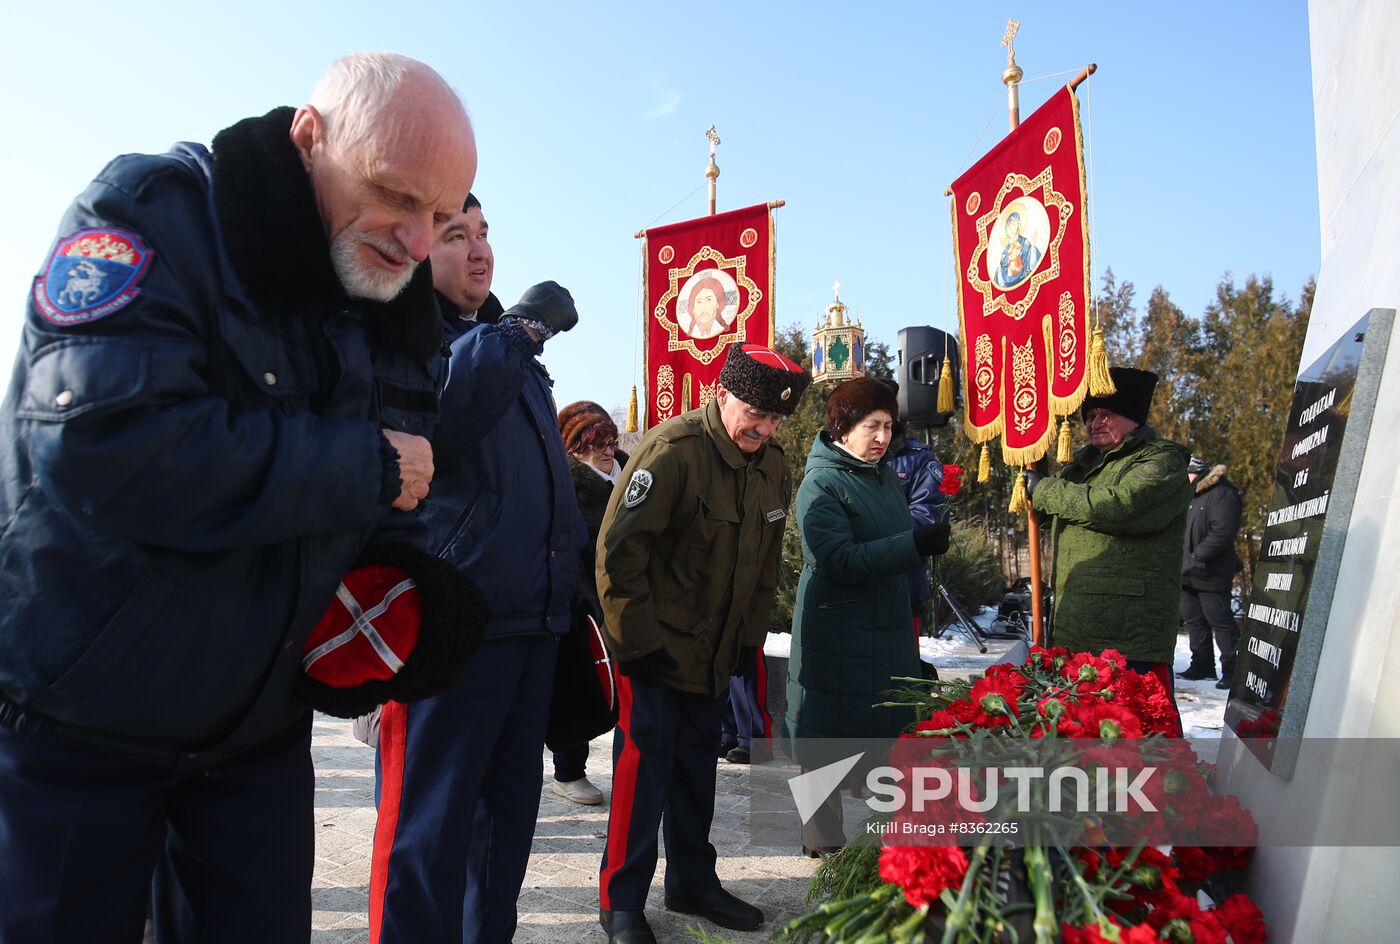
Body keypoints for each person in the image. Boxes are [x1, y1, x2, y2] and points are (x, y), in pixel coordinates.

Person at [0, 53, 474, 942]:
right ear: (309, 139)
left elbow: (358, 499)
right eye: (397, 195)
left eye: (442, 216)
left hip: (255, 738)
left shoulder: (379, 289)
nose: (419, 241)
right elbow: (103, 441)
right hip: (82, 724)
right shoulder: (155, 213)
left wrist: (396, 595)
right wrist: (365, 467)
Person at [369, 194, 583, 944]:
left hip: (529, 621)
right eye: (455, 235)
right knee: (427, 834)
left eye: (484, 233)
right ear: (417, 250)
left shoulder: (499, 345)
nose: (478, 249)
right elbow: (451, 414)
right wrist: (521, 327)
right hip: (451, 627)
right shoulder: (409, 336)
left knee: (502, 836)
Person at [595, 342, 809, 944]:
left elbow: (763, 565)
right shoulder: (673, 451)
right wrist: (635, 644)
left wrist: (746, 642)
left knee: (696, 773)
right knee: (642, 775)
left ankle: (692, 881)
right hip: (656, 650)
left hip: (715, 651)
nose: (763, 429)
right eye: (754, 414)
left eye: (774, 420)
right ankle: (621, 901)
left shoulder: (773, 465)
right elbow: (619, 553)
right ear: (721, 395)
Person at [783, 379, 951, 853]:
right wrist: (913, 545)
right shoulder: (823, 482)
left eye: (887, 426)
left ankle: (891, 835)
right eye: (871, 426)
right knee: (826, 732)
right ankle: (820, 838)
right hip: (837, 628)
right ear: (842, 427)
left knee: (885, 729)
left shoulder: (880, 477)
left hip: (886, 626)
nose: (881, 437)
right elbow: (838, 558)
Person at [1025, 367, 1193, 725]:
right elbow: (1053, 504)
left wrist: (1044, 489)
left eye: (1106, 414)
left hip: (1129, 636)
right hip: (1075, 630)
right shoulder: (1082, 467)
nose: (1095, 422)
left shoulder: (1162, 461)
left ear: (1132, 418)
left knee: (1138, 734)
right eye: (1089, 416)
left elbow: (1119, 507)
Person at [548, 400, 629, 805]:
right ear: (574, 449)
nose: (606, 450)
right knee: (581, 684)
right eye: (593, 444)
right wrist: (582, 601)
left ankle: (630, 768)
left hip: (632, 599)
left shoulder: (633, 476)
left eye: (610, 441)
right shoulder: (566, 486)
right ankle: (569, 770)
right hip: (586, 603)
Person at [1179, 456, 1244, 689]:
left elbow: (1222, 533)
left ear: (1196, 472)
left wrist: (1197, 557)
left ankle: (1233, 671)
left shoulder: (1222, 493)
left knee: (1220, 620)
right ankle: (1202, 666)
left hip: (1211, 571)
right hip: (1186, 571)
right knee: (1194, 620)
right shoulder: (1191, 496)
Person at [994, 209, 1042, 290]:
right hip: (1008, 284)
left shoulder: (1025, 242)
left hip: (1025, 280)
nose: (1013, 228)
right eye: (1010, 226)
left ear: (1019, 226)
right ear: (1007, 228)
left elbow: (1032, 262)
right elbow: (1002, 269)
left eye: (1015, 224)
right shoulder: (1005, 251)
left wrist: (1033, 247)